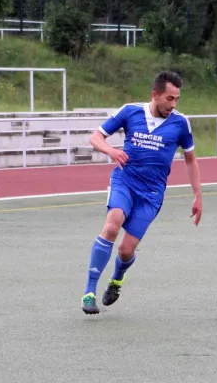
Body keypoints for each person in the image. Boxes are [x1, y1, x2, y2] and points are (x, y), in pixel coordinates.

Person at [81, 71, 203, 314]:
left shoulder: (180, 123)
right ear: (155, 95)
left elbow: (190, 160)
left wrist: (198, 195)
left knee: (126, 251)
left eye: (177, 99)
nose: (174, 104)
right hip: (125, 181)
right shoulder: (130, 111)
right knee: (112, 224)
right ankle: (89, 292)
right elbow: (95, 138)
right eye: (170, 98)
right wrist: (111, 151)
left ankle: (116, 280)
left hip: (152, 194)